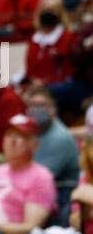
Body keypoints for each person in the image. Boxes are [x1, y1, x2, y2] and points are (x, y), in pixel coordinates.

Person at [26, 85, 80, 223]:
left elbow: (40, 178)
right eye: (32, 105)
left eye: (42, 105)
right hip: (35, 186)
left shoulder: (60, 138)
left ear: (53, 109)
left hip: (61, 192)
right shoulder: (30, 132)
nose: (36, 110)